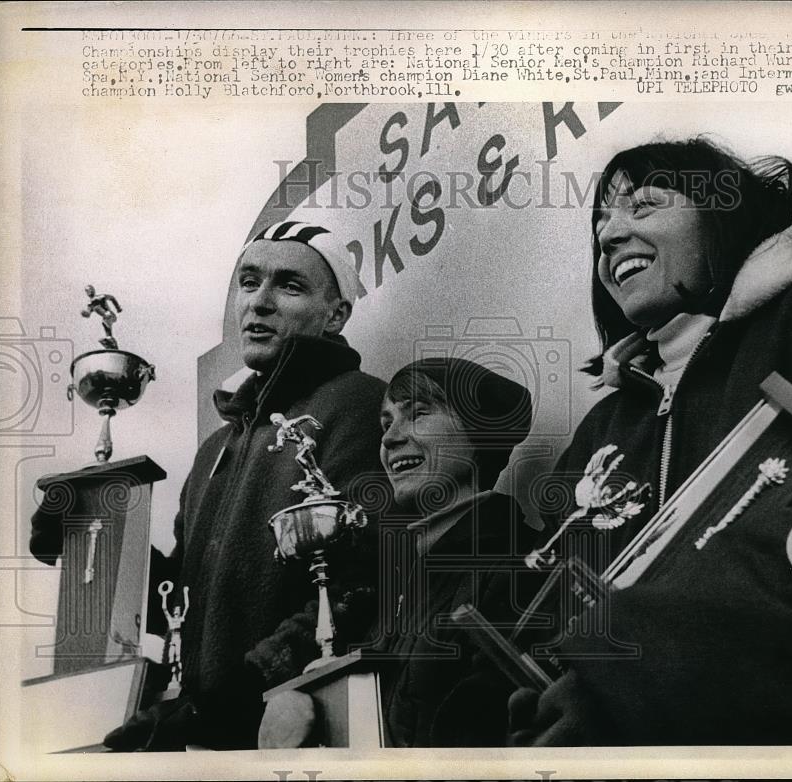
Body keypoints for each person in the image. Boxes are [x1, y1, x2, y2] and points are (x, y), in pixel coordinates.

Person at [507, 137, 792, 745]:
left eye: (643, 205)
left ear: (723, 216)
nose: (608, 236)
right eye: (600, 221)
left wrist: (641, 665)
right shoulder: (601, 428)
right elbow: (549, 616)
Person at [83, 219, 388, 750]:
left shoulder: (363, 406)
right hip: (203, 734)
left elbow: (363, 582)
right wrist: (101, 529)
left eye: (289, 285)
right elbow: (175, 600)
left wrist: (240, 691)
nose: (260, 302)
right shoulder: (213, 450)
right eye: (249, 282)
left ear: (336, 314)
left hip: (299, 728)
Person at [256, 357, 539, 748]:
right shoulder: (403, 578)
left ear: (482, 433)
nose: (390, 439)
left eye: (418, 414)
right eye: (386, 423)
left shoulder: (518, 567)